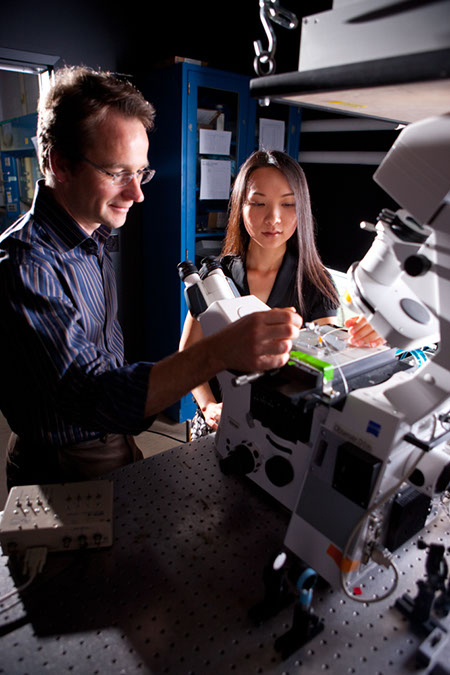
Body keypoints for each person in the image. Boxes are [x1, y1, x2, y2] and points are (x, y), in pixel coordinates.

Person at [0, 68, 301, 488]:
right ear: (60, 164)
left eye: (140, 172)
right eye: (116, 173)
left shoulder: (91, 235)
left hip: (115, 440)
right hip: (64, 464)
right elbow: (90, 394)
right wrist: (218, 352)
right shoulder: (26, 264)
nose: (137, 193)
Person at [180, 150, 385, 437]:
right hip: (217, 421)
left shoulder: (314, 282)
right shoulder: (216, 275)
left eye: (288, 204)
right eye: (258, 203)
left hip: (278, 429)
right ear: (240, 206)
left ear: (302, 209)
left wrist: (361, 341)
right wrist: (208, 405)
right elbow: (189, 354)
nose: (273, 218)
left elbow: (327, 362)